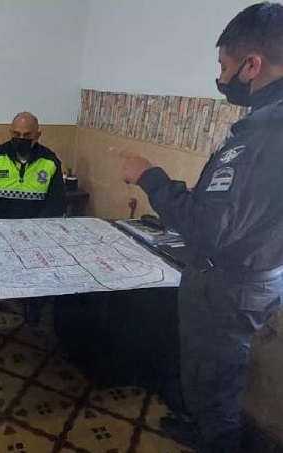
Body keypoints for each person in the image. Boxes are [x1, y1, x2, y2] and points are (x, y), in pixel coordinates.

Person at [120, 3, 283, 451]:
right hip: (256, 273)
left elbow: (208, 227)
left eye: (224, 67)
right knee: (209, 377)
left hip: (229, 286)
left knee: (215, 386)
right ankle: (204, 426)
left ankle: (216, 440)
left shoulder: (266, 134)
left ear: (252, 64)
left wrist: (148, 176)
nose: (221, 77)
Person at [0, 112, 67, 326]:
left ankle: (33, 303)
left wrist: (34, 230)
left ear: (37, 135)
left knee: (36, 266)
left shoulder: (50, 161)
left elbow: (57, 203)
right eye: (16, 134)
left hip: (35, 233)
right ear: (10, 133)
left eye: (26, 135)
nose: (20, 139)